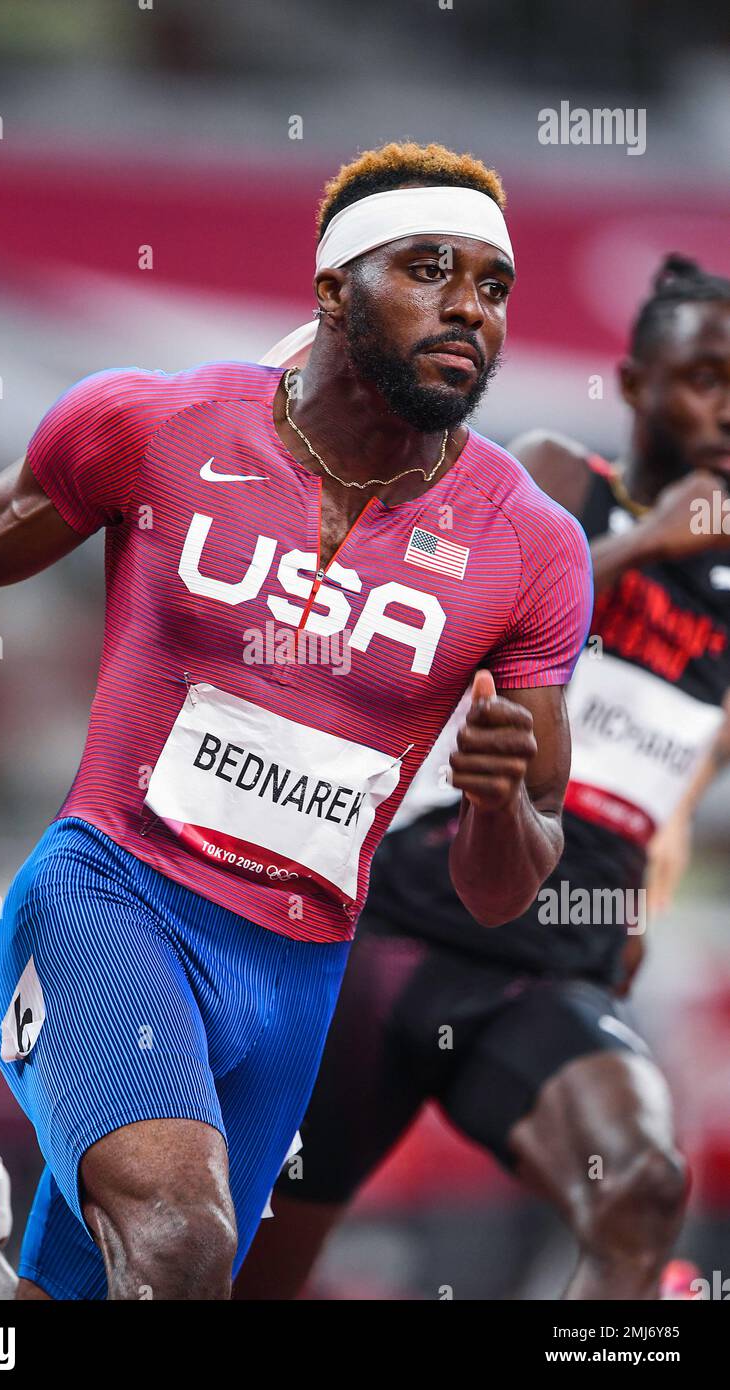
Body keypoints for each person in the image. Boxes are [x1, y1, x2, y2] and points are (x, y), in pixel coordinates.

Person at [0, 141, 591, 1300]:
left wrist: (502, 800)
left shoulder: (531, 550)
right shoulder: (159, 426)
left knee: (133, 1289)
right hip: (113, 898)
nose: (468, 307)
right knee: (180, 1248)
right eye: (425, 269)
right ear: (331, 291)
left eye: (491, 286)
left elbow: (501, 887)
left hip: (296, 975)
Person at [232, 254, 730, 1302]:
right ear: (636, 384)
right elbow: (456, 620)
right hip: (395, 932)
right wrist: (641, 540)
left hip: (544, 973)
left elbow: (676, 788)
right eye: (702, 378)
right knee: (238, 1274)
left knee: (639, 1187)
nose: (724, 411)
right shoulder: (556, 478)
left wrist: (642, 892)